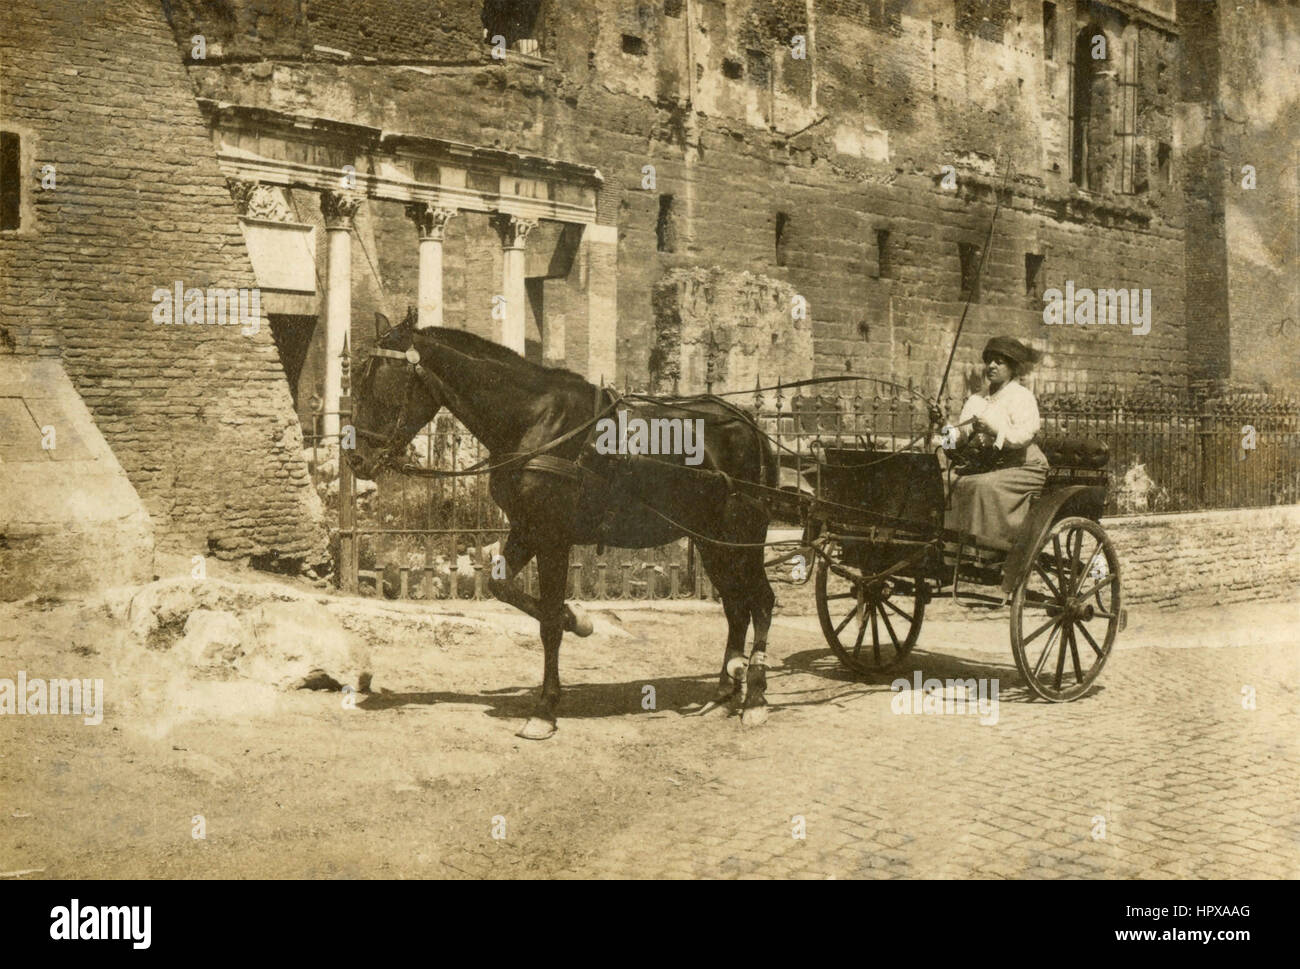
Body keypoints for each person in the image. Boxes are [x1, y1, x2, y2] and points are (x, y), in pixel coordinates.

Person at [942, 336, 1048, 552]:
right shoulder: (976, 399)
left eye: (999, 362)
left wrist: (993, 430)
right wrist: (942, 426)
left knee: (982, 486)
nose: (991, 366)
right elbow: (959, 437)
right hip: (989, 465)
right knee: (946, 481)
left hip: (1022, 466)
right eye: (989, 360)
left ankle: (988, 551)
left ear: (1013, 368)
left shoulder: (1022, 397)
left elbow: (1023, 436)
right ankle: (951, 552)